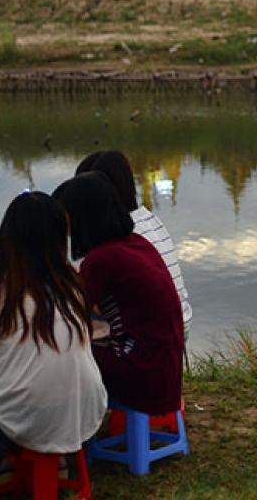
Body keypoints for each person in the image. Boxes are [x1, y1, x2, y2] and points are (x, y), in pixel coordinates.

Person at [0, 192, 106, 460]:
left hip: (21, 426)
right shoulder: (73, 285)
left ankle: (7, 460)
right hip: (86, 422)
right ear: (61, 240)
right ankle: (58, 460)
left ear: (7, 237)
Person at [54, 173, 184, 418]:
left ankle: (67, 436)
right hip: (165, 371)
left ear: (83, 219)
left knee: (59, 358)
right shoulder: (137, 243)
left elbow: (68, 314)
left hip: (143, 375)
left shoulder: (101, 259)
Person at [75, 150, 192, 339]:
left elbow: (83, 299)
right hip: (181, 324)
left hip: (157, 335)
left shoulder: (119, 235)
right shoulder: (149, 218)